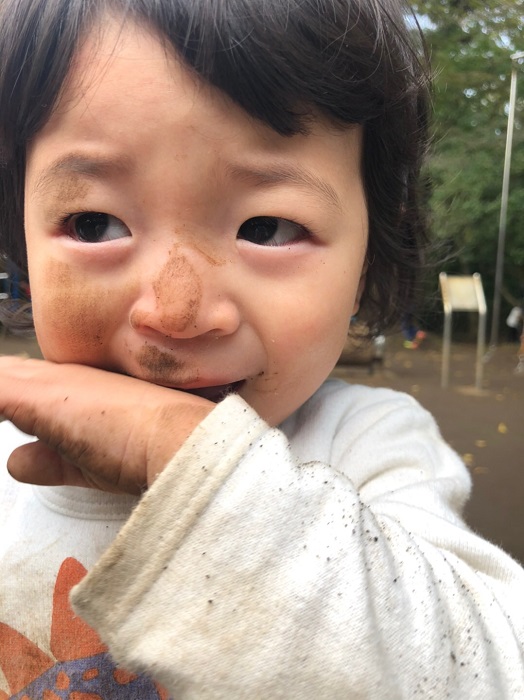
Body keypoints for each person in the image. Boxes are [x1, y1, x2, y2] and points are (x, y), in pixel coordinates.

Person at [0, 0, 523, 696]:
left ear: (368, 258)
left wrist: (195, 469)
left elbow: (488, 667)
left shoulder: (371, 448)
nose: (177, 312)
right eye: (94, 223)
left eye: (269, 228)